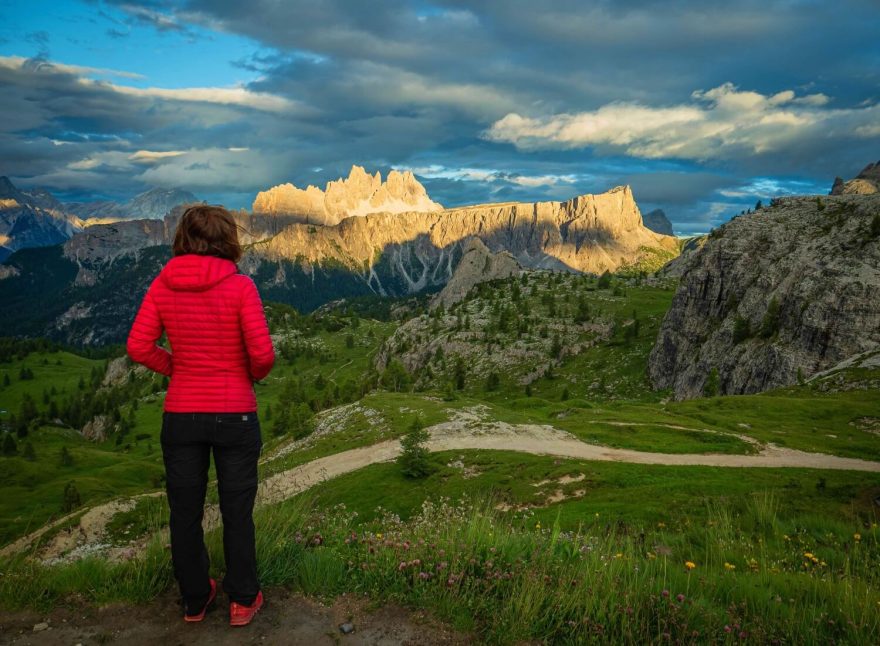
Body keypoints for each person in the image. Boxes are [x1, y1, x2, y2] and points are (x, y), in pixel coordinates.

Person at [126, 204, 275, 627]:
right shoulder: (241, 286)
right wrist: (248, 375)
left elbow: (137, 346)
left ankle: (194, 599)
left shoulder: (162, 285)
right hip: (236, 416)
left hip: (182, 415)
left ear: (183, 238)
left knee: (185, 511)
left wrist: (178, 368)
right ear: (228, 239)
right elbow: (263, 355)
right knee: (237, 510)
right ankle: (244, 600)